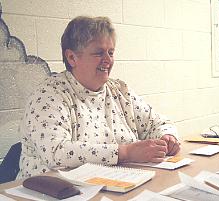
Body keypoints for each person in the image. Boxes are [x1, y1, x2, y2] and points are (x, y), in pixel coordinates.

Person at [17, 16, 180, 178]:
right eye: (99, 53)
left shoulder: (119, 91)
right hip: (52, 192)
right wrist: (126, 152)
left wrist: (167, 137)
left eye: (111, 52)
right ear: (72, 57)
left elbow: (158, 123)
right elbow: (56, 152)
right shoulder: (48, 95)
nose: (108, 60)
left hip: (116, 185)